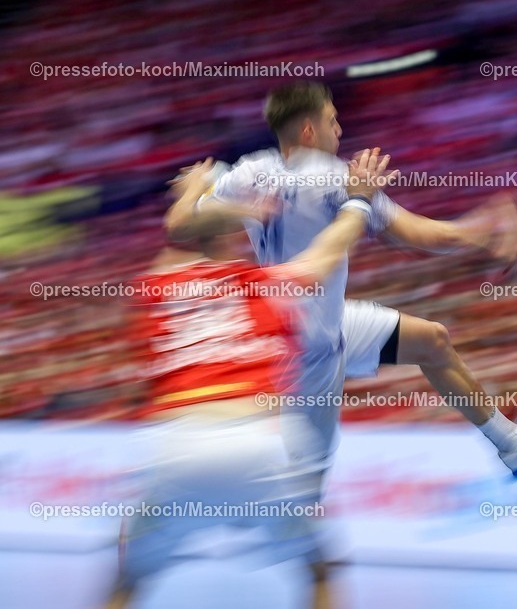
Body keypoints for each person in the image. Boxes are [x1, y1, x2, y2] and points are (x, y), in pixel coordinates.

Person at [166, 80, 517, 488]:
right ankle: (212, 505)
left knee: (432, 341)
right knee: (306, 492)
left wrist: (196, 186)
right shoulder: (338, 178)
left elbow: (181, 224)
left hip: (312, 324)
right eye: (332, 120)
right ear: (309, 130)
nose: (339, 129)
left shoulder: (250, 172)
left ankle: (510, 443)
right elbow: (422, 237)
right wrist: (486, 227)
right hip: (312, 356)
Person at [106, 149, 395, 609]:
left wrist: (194, 192)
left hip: (174, 445)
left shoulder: (154, 286)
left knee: (126, 581)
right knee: (318, 569)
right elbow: (325, 256)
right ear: (231, 239)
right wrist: (358, 201)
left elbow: (177, 229)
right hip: (255, 446)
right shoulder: (262, 284)